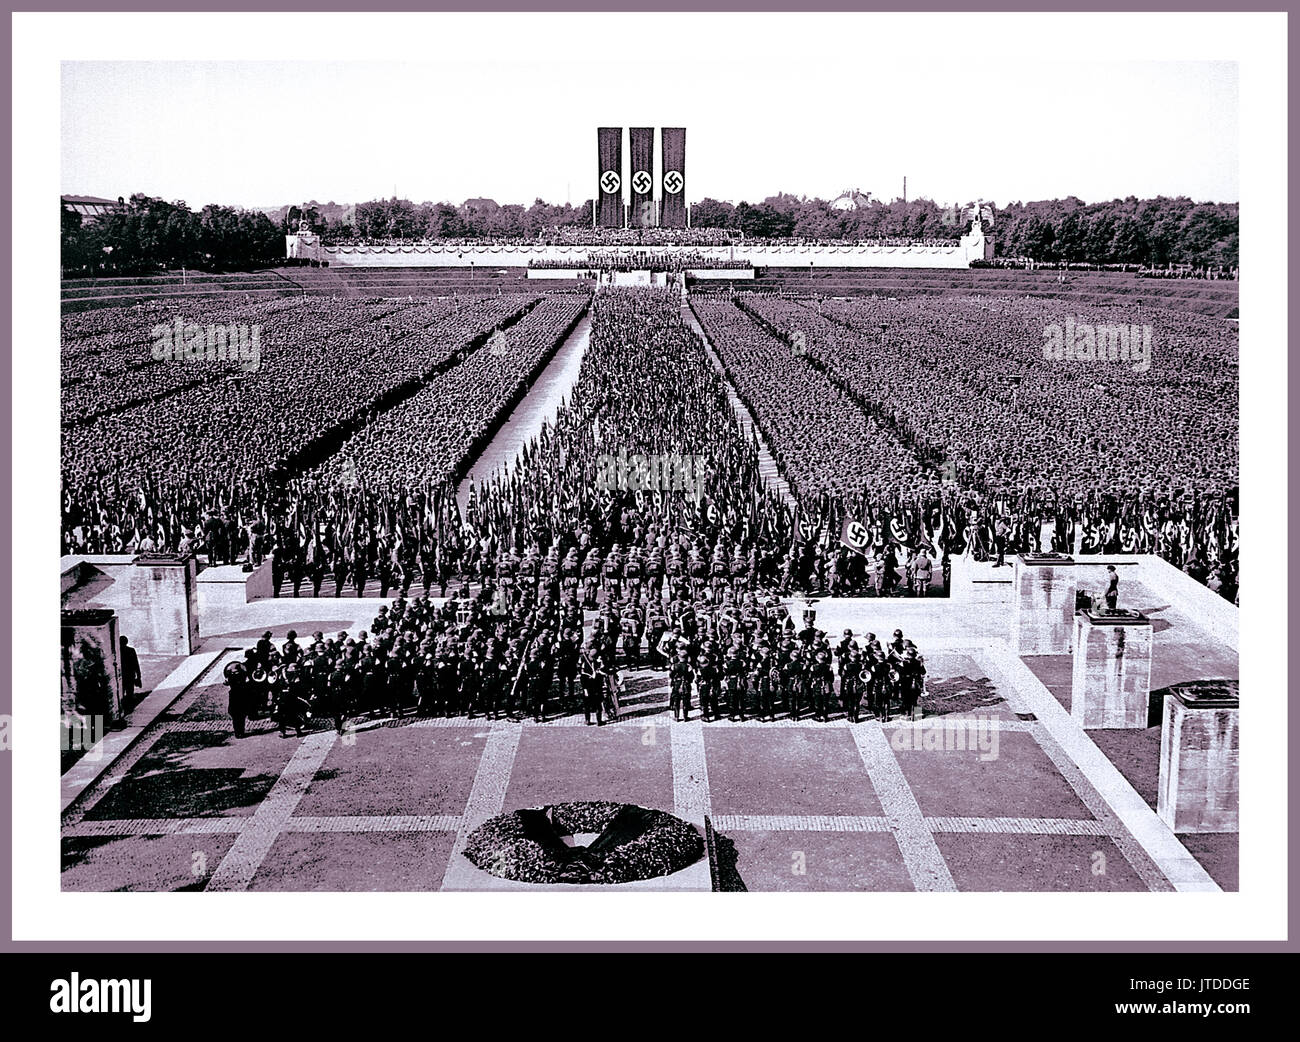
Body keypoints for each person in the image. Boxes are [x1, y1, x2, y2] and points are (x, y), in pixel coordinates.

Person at [119, 635, 142, 709]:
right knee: (130, 692)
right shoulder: (131, 650)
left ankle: (123, 708)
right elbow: (136, 664)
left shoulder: (118, 652)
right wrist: (138, 676)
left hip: (122, 675)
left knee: (121, 692)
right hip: (130, 674)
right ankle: (129, 708)